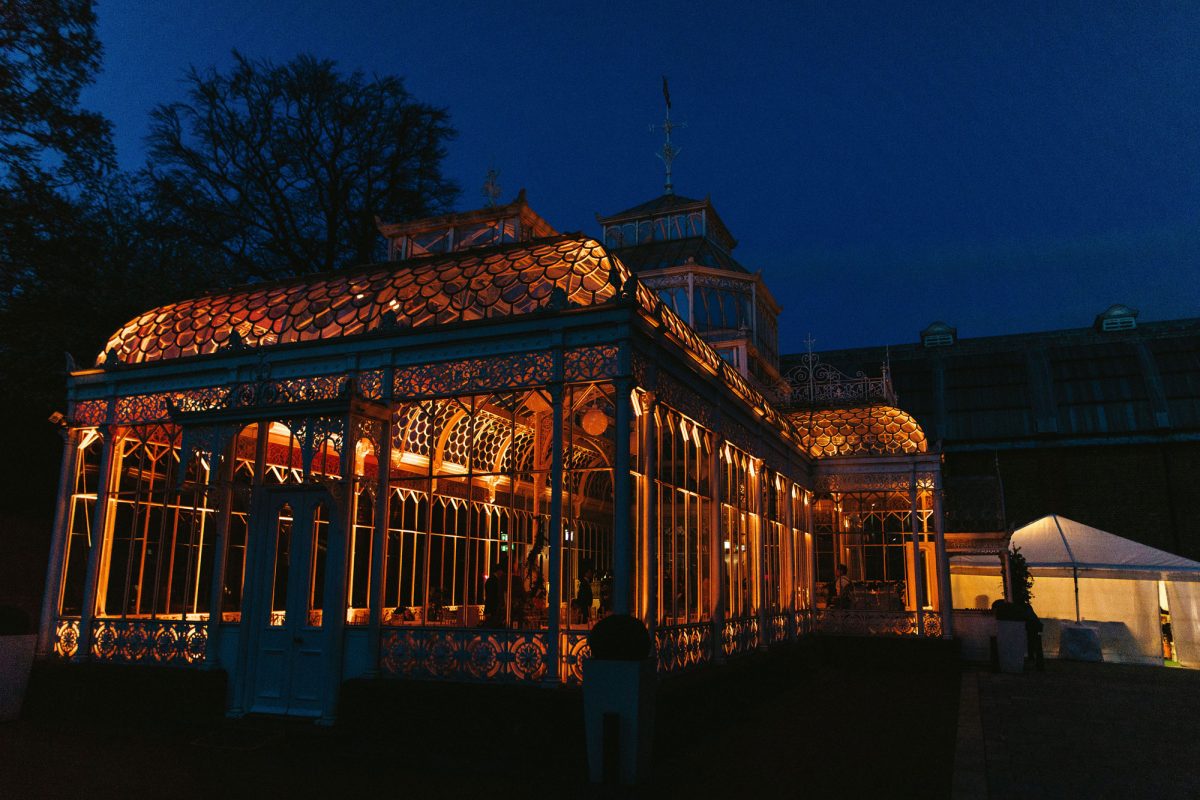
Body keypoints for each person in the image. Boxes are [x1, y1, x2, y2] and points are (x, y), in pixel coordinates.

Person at [483, 560, 506, 627]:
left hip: (491, 608)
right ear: (499, 571)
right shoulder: (495, 581)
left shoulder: (490, 580)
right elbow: (491, 597)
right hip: (493, 609)